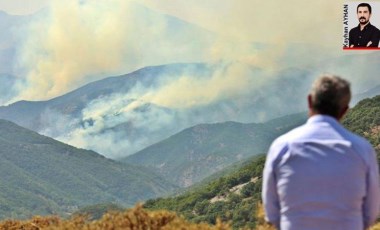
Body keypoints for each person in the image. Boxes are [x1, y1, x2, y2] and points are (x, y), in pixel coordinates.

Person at [262, 75, 380, 230]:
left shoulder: (282, 147)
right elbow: (371, 212)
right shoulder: (362, 149)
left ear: (310, 101)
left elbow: (272, 213)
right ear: (344, 110)